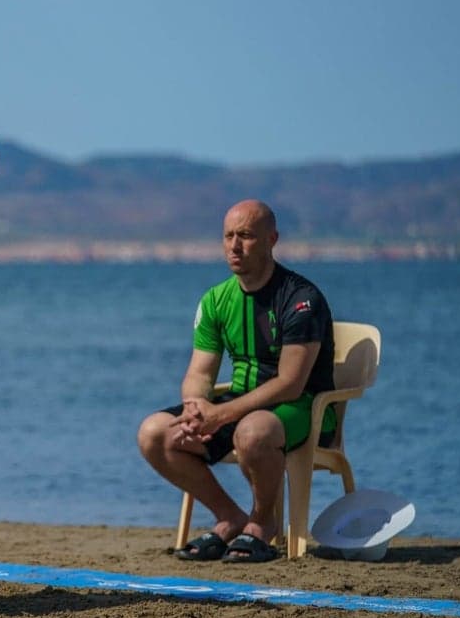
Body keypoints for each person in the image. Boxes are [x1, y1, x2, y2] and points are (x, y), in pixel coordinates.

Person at [136, 200, 335, 563]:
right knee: (154, 433)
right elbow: (200, 373)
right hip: (239, 406)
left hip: (301, 410)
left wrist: (220, 416)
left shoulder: (301, 299)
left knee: (252, 432)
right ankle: (229, 517)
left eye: (245, 236)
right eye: (228, 236)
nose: (234, 246)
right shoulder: (216, 300)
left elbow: (290, 383)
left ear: (271, 240)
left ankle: (261, 524)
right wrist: (196, 409)